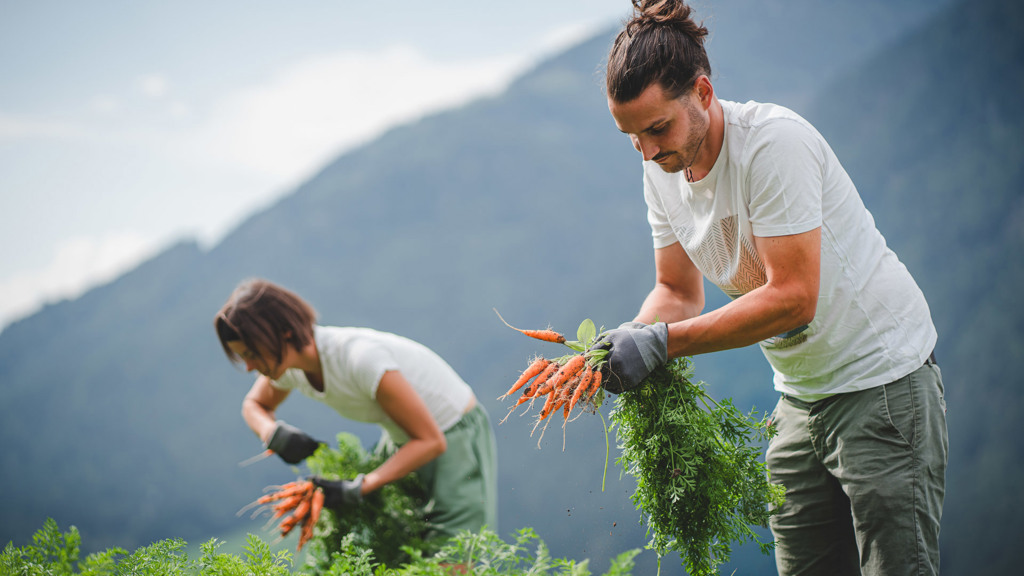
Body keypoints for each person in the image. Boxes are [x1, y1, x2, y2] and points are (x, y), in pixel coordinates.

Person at [595, 1, 947, 574]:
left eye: (657, 128)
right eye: (631, 137)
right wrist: (630, 337)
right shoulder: (661, 170)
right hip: (801, 398)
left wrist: (662, 344)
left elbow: (792, 299)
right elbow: (676, 291)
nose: (649, 150)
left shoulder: (771, 145)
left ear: (703, 94)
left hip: (881, 382)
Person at [214, 278, 498, 545]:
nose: (249, 367)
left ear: (283, 333)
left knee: (454, 556)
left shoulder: (359, 359)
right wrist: (272, 432)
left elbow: (432, 441)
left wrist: (360, 487)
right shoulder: (287, 366)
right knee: (401, 548)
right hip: (402, 439)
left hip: (454, 437)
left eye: (251, 354)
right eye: (242, 357)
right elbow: (254, 406)